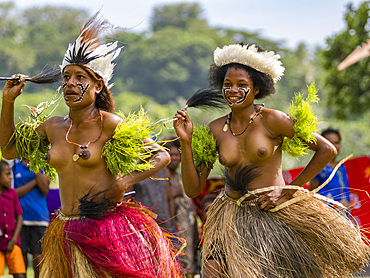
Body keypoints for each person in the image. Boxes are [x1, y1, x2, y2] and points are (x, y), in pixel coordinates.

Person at [0, 13, 181, 277]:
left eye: (80, 77)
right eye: (66, 77)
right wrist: (8, 103)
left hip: (105, 230)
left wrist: (122, 183)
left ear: (98, 85)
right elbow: (9, 150)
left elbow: (161, 156)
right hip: (65, 230)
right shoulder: (53, 127)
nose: (70, 83)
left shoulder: (111, 124)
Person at [174, 43, 369, 277]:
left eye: (241, 85)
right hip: (230, 218)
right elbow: (193, 189)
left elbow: (326, 149)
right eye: (227, 84)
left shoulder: (272, 120)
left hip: (271, 214)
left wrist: (289, 190)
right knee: (211, 271)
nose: (233, 90)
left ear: (257, 88)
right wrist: (186, 143)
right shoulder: (215, 129)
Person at [163, 135, 199, 277]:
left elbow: (192, 205)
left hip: (188, 229)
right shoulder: (160, 178)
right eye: (171, 155)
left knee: (188, 264)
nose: (175, 158)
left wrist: (195, 228)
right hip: (172, 228)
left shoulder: (183, 178)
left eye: (177, 154)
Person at [10, 157, 50, 278]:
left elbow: (44, 190)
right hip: (19, 220)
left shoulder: (42, 165)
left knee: (38, 259)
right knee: (20, 259)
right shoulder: (14, 166)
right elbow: (13, 194)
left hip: (39, 219)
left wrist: (36, 167)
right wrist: (34, 182)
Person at [309, 128, 351, 209]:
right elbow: (312, 192)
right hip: (327, 213)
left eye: (337, 142)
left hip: (344, 213)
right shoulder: (318, 167)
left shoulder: (342, 166)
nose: (334, 146)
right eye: (330, 143)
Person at [0, 159, 26, 278]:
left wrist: (14, 239)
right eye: (7, 174)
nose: (11, 177)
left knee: (20, 274)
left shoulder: (12, 194)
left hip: (12, 242)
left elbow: (19, 217)